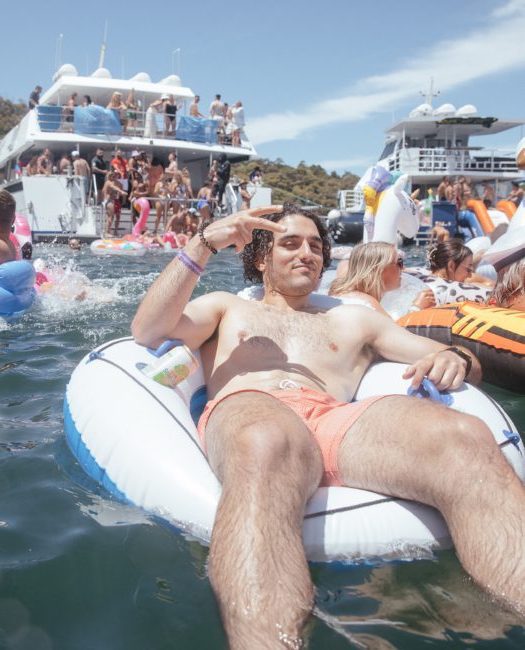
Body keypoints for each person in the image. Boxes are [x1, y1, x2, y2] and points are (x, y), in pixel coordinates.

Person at [131, 203, 525, 648]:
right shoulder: (226, 308)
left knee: (464, 437)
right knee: (268, 442)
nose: (307, 253)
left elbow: (450, 358)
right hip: (252, 407)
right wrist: (204, 243)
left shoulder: (352, 318)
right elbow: (147, 330)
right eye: (290, 243)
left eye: (316, 246)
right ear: (261, 259)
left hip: (335, 419)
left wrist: (456, 358)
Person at [329, 242, 435, 317]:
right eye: (399, 263)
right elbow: (397, 337)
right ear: (379, 269)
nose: (403, 268)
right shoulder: (365, 303)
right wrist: (416, 308)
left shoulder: (348, 290)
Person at [406, 239, 490, 305]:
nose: (470, 275)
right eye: (468, 269)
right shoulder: (452, 291)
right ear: (451, 266)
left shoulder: (416, 275)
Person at [103, 171, 127, 237]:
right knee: (110, 217)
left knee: (112, 217)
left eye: (114, 175)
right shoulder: (108, 182)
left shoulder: (117, 183)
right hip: (109, 200)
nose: (114, 177)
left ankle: (109, 231)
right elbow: (114, 187)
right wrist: (121, 191)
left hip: (112, 200)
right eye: (112, 176)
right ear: (109, 176)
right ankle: (107, 232)